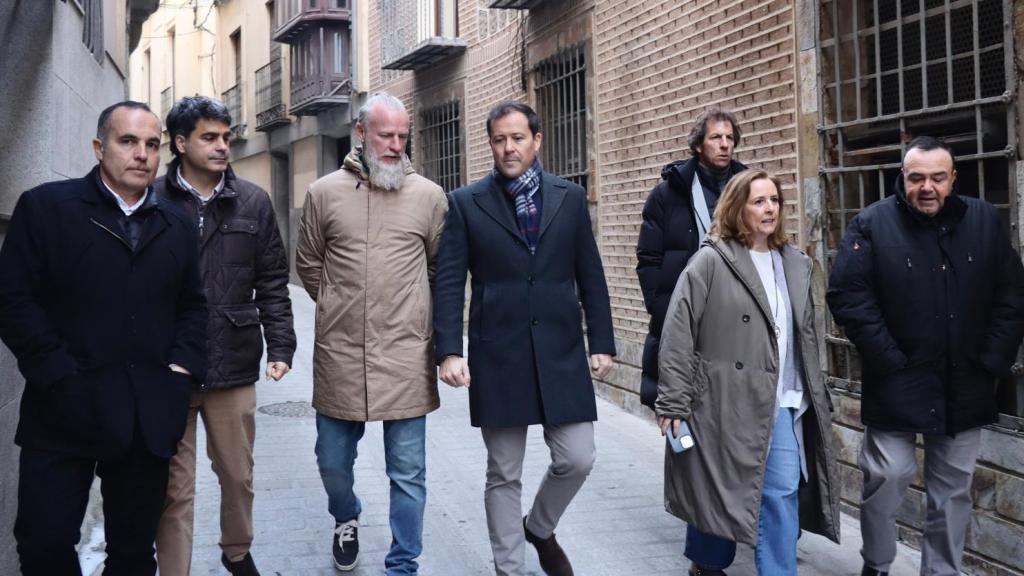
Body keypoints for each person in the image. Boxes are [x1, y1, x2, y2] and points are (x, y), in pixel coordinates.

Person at [0, 101, 207, 575]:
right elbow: (13, 300)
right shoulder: (48, 208)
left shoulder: (176, 224)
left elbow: (193, 307)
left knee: (134, 556)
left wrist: (178, 375)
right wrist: (57, 374)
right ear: (99, 147)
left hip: (145, 417)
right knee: (43, 546)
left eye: (152, 145)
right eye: (127, 141)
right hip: (62, 411)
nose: (142, 155)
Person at [433, 101, 616, 576]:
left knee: (578, 457)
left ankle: (538, 526)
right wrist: (450, 350)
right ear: (490, 144)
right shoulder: (466, 203)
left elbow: (590, 274)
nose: (508, 147)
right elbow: (450, 282)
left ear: (537, 140)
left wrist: (602, 340)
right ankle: (510, 568)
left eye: (517, 138)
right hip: (499, 354)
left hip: (560, 351)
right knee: (504, 472)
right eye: (499, 139)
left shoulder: (569, 198)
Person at [827, 136, 1024, 576]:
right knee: (887, 477)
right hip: (897, 380)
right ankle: (876, 564)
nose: (927, 187)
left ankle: (941, 572)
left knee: (952, 490)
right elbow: (848, 297)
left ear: (953, 179)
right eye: (917, 178)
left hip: (965, 383)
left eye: (938, 177)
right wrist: (888, 360)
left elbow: (1011, 295)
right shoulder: (873, 224)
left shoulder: (982, 220)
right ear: (903, 178)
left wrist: (992, 362)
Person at [657, 169, 840, 575]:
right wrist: (673, 400)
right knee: (721, 487)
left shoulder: (795, 263)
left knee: (781, 491)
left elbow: (804, 336)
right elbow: (678, 332)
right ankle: (706, 563)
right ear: (738, 207)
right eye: (758, 201)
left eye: (774, 199)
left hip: (784, 399)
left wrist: (817, 392)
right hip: (726, 400)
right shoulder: (711, 260)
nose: (769, 208)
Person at [295, 92, 448, 575]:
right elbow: (308, 263)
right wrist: (343, 308)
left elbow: (442, 270)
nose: (396, 145)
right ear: (361, 134)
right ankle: (346, 515)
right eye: (386, 135)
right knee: (331, 462)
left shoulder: (429, 196)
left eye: (403, 136)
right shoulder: (323, 193)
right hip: (339, 355)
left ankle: (403, 564)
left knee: (408, 473)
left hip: (405, 355)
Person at [153, 96, 296, 576]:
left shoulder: (252, 200)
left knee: (238, 476)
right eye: (209, 138)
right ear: (180, 143)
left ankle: (237, 552)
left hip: (233, 361)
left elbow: (273, 280)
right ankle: (175, 569)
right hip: (170, 365)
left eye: (226, 137)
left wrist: (281, 346)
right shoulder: (153, 199)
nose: (221, 146)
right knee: (175, 488)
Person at [636, 107, 750, 575]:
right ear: (698, 144)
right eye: (715, 137)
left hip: (739, 333)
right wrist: (671, 318)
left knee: (736, 442)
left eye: (730, 137)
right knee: (700, 449)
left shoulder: (749, 189)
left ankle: (735, 534)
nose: (724, 144)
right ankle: (708, 557)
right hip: (687, 333)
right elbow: (649, 260)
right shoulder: (668, 195)